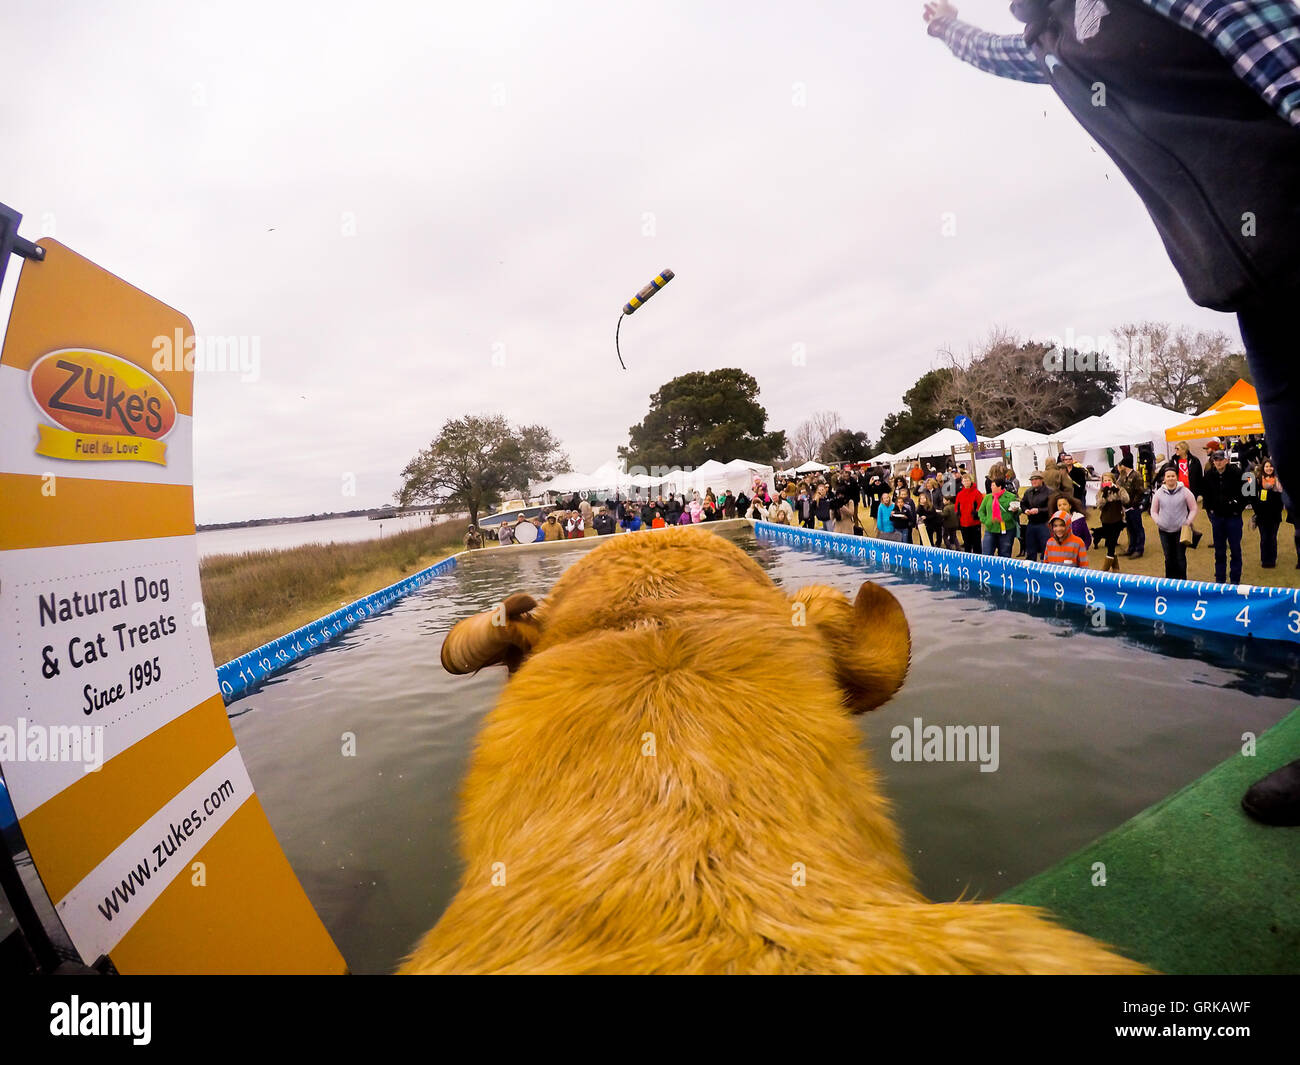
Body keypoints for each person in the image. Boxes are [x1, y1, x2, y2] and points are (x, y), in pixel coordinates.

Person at [1202, 450, 1245, 583]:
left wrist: (1238, 508)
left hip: (1233, 517)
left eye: (1221, 459)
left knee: (1235, 549)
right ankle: (1220, 580)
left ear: (1226, 460)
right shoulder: (1209, 475)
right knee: (1219, 551)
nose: (1218, 462)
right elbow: (1206, 494)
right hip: (1217, 518)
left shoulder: (1238, 473)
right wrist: (1210, 510)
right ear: (1213, 461)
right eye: (1216, 460)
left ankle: (1235, 580)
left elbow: (1248, 492)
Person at [1150, 467, 1199, 579]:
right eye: (1168, 476)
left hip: (1180, 531)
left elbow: (1193, 508)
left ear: (1176, 477)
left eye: (1173, 476)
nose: (1171, 478)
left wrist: (1187, 522)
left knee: (1180, 557)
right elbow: (1153, 511)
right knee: (1168, 557)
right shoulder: (1158, 493)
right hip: (1164, 531)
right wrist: (1159, 522)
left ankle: (1182, 582)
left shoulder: (1185, 491)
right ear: (1164, 479)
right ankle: (1170, 582)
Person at [1252, 459, 1285, 569]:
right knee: (1264, 538)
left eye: (1271, 466)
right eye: (1266, 466)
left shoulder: (1278, 482)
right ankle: (1264, 560)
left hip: (1275, 515)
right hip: (1262, 515)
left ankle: (1272, 560)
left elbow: (1282, 499)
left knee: (1272, 537)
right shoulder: (1258, 481)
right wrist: (1257, 510)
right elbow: (1253, 497)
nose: (1269, 468)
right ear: (1263, 468)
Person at [1094, 473, 1129, 572]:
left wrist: (1118, 492)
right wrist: (1104, 496)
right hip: (1106, 520)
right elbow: (1099, 506)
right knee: (1110, 542)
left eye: (1109, 480)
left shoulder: (1120, 489)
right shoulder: (1100, 492)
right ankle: (1115, 567)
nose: (1107, 482)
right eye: (1105, 480)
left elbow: (1126, 500)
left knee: (1112, 543)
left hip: (1118, 519)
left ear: (1113, 480)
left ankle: (1105, 568)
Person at [977, 476, 1019, 557]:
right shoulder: (988, 497)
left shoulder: (1011, 497)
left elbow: (1018, 510)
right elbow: (981, 511)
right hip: (990, 529)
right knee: (986, 553)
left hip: (1007, 529)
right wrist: (985, 520)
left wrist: (1015, 510)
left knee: (1005, 554)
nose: (991, 487)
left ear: (999, 487)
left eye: (993, 485)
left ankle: (1003, 569)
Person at [1020, 470, 1052, 562]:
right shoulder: (1028, 492)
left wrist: (1039, 510)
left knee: (1045, 548)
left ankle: (1046, 568)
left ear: (1042, 480)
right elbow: (1023, 503)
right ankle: (1030, 569)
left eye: (1036, 479)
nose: (1034, 481)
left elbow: (1051, 508)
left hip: (1045, 523)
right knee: (1030, 548)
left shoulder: (1049, 492)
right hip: (1031, 523)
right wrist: (1025, 510)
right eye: (1032, 480)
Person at [1115, 463, 1146, 558]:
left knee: (1137, 528)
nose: (1117, 468)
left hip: (1133, 507)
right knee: (1130, 529)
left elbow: (1140, 491)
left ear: (1123, 465)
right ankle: (1131, 548)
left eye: (1118, 466)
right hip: (1125, 507)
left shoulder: (1136, 475)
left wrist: (1133, 505)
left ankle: (1139, 549)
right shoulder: (1122, 476)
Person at [954, 474, 983, 552]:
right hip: (964, 523)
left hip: (974, 522)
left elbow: (981, 505)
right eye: (964, 481)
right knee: (967, 544)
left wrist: (976, 512)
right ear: (962, 482)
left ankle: (978, 560)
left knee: (976, 544)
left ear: (971, 481)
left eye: (967, 480)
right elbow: (956, 506)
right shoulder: (960, 494)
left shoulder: (977, 493)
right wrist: (958, 513)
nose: (966, 482)